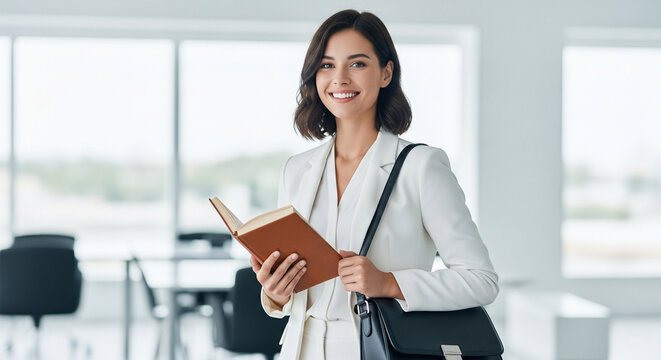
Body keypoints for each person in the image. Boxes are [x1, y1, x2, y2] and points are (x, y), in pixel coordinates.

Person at [249, 9, 499, 360]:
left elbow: (481, 280)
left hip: (378, 349)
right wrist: (276, 292)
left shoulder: (420, 166)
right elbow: (295, 300)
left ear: (385, 73)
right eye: (326, 65)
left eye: (357, 64)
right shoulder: (296, 170)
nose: (339, 78)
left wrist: (388, 283)